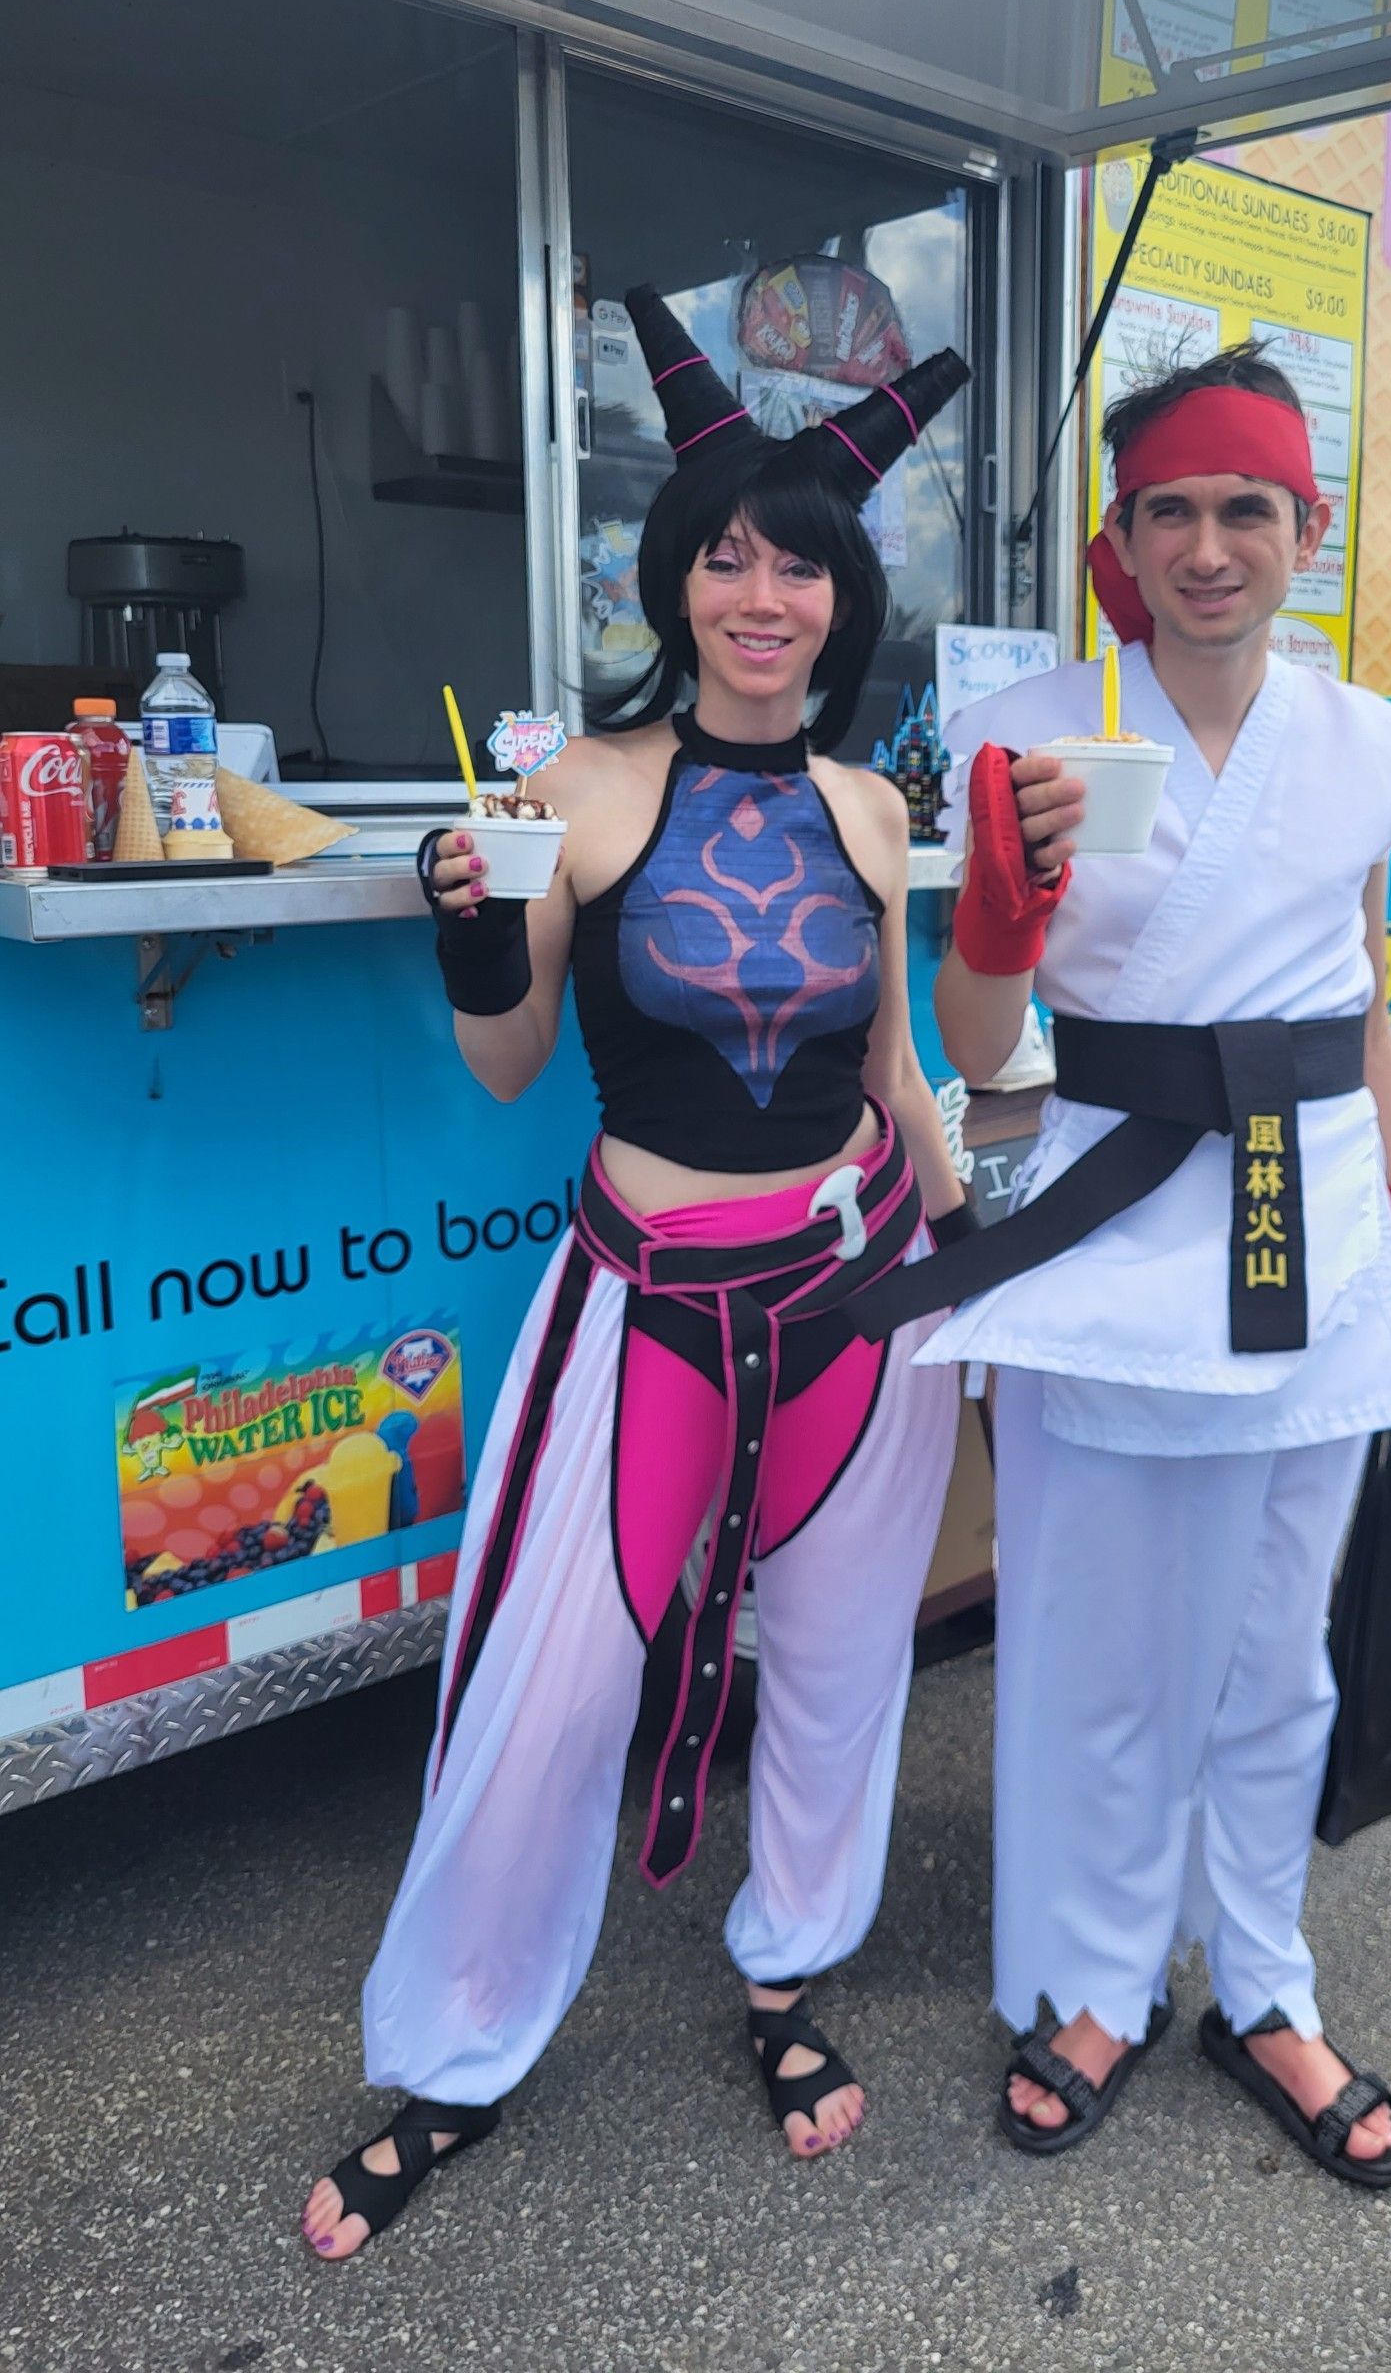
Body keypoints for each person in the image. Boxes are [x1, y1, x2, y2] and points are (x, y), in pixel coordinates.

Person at [302, 289, 971, 2257]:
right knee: (546, 1677)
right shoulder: (573, 789)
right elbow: (511, 1061)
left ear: (843, 602)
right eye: (727, 556)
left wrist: (976, 1269)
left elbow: (896, 1064)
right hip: (647, 1295)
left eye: (798, 563)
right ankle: (459, 2043)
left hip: (860, 1288)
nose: (761, 592)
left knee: (844, 1665)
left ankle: (787, 1970)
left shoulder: (870, 809)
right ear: (674, 582)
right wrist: (463, 932)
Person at [905, 341, 1391, 2186]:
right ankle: (1092, 1979)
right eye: (1174, 511)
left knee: (1275, 1651)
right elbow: (985, 1045)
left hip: (1304, 1239)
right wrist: (999, 909)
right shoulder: (1037, 735)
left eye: (1247, 509)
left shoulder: (1372, 747)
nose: (1211, 546)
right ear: (1121, 539)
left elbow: (1360, 1006)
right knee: (1087, 1640)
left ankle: (1263, 1983)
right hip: (1111, 1225)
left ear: (1304, 529)